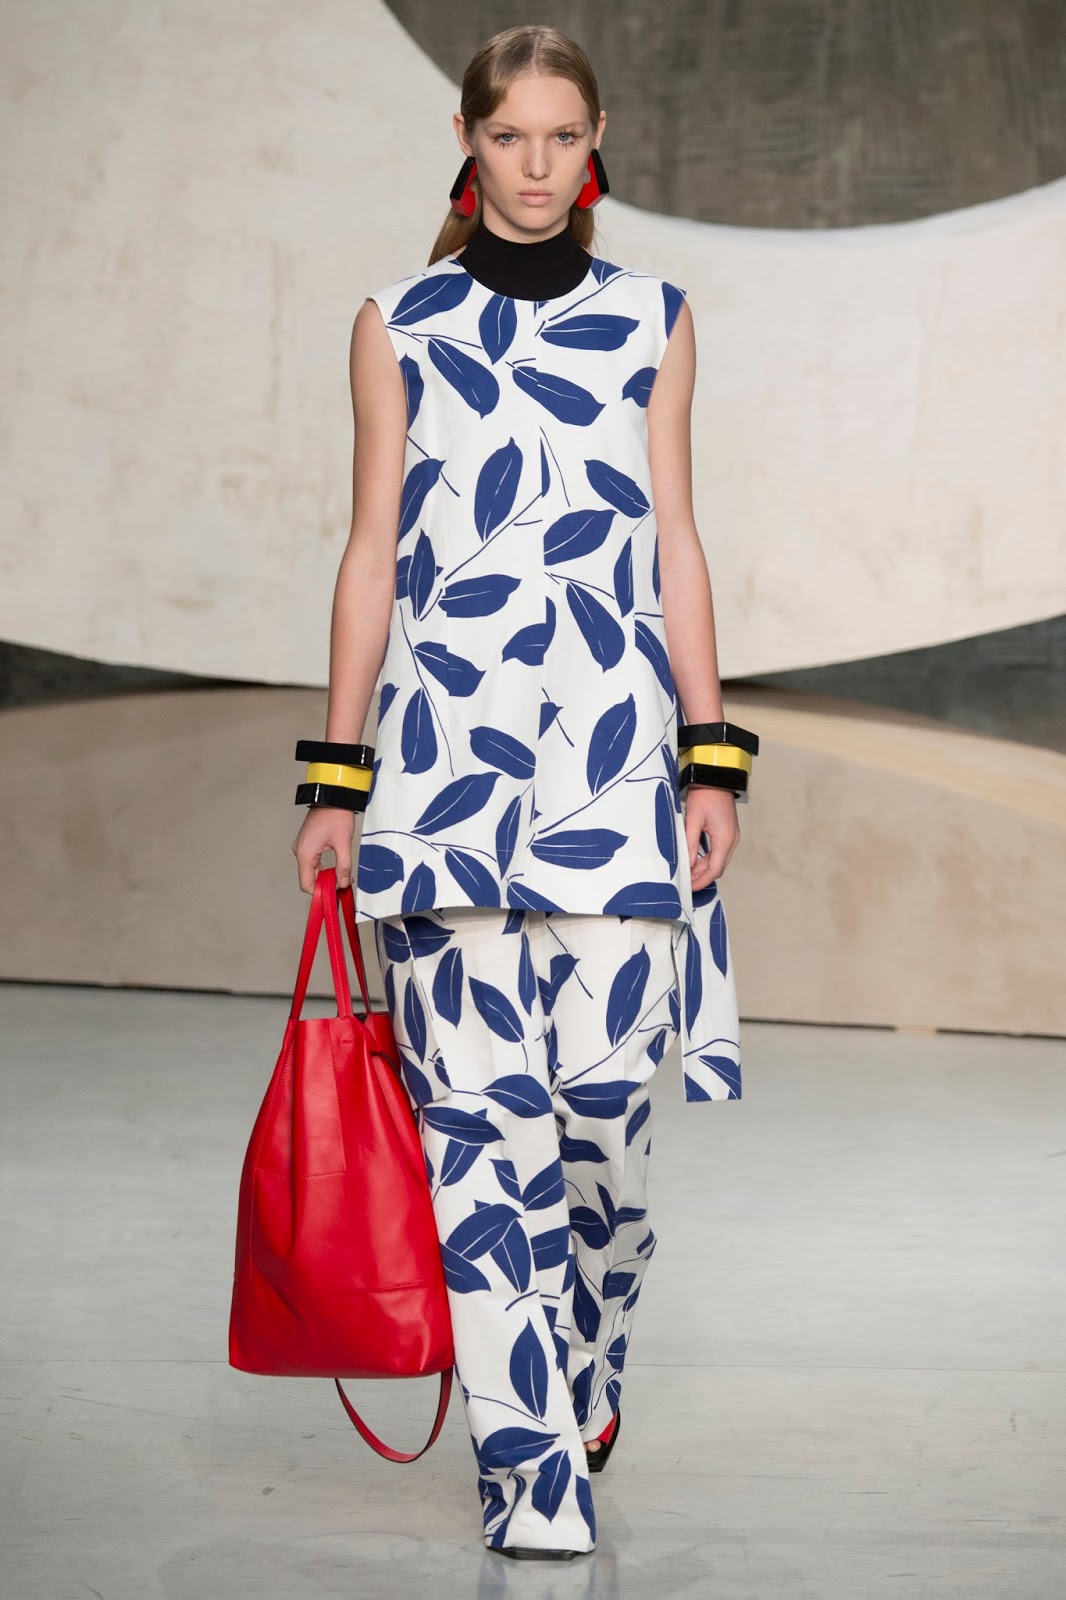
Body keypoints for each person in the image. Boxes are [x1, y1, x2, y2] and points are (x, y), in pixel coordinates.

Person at [292, 24, 753, 1561]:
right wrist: (337, 779)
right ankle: (529, 1474)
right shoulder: (398, 322)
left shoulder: (652, 320)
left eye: (562, 136)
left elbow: (673, 540)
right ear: (466, 140)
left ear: (595, 137)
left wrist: (709, 752)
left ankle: (587, 1365)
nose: (537, 164)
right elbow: (371, 553)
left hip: (614, 768)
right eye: (510, 136)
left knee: (605, 1116)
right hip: (440, 776)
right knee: (476, 1134)